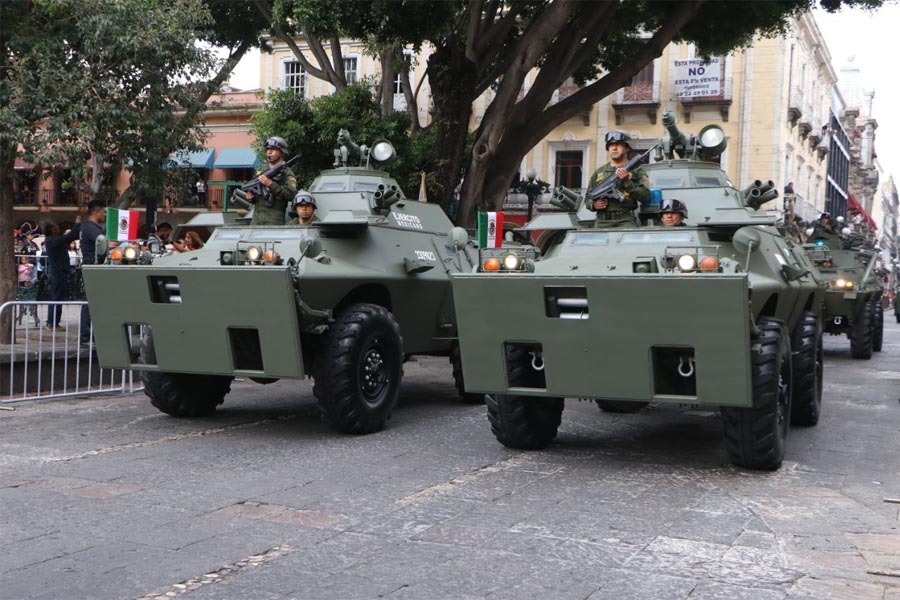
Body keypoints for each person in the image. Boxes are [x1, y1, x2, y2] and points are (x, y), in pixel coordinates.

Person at [585, 130, 651, 227]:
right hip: (601, 222)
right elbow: (587, 198)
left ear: (627, 148)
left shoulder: (637, 170)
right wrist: (594, 204)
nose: (614, 148)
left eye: (619, 145)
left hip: (625, 220)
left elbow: (646, 196)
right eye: (611, 145)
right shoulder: (599, 172)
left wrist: (627, 182)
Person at [246, 136, 297, 225]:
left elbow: (291, 195)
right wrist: (251, 198)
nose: (269, 152)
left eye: (273, 149)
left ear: (282, 152)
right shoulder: (260, 171)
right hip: (256, 220)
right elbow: (257, 195)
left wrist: (270, 184)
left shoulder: (287, 172)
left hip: (274, 221)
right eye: (268, 149)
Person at [43, 217, 82, 329]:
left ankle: (54, 322)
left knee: (58, 297)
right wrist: (77, 224)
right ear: (52, 230)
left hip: (60, 272)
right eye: (55, 227)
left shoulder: (54, 240)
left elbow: (69, 238)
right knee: (55, 297)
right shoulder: (52, 240)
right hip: (57, 273)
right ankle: (51, 323)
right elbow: (70, 237)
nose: (58, 228)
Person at [79, 200, 107, 345]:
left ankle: (90, 337)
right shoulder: (93, 228)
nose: (104, 215)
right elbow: (102, 244)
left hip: (89, 265)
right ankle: (86, 338)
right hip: (93, 266)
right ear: (97, 212)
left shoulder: (86, 227)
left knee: (91, 302)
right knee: (90, 302)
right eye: (103, 212)